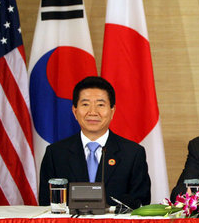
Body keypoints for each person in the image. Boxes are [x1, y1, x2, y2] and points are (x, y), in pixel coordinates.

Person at [39, 76, 151, 209]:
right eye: (85, 104)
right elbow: (46, 203)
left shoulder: (132, 153)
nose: (92, 112)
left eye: (100, 105)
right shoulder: (56, 153)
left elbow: (140, 200)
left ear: (112, 111)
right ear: (74, 111)